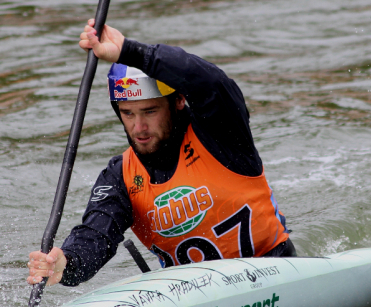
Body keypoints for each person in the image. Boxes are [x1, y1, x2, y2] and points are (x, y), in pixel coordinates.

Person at [27, 19, 296, 287]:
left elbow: (211, 82)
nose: (139, 127)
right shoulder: (121, 176)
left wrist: (131, 52)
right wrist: (68, 263)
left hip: (273, 272)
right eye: (128, 114)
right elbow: (96, 235)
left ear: (178, 100)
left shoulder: (221, 133)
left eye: (150, 111)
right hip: (195, 299)